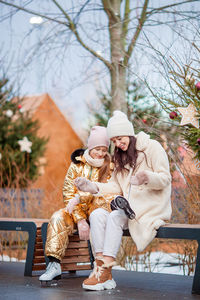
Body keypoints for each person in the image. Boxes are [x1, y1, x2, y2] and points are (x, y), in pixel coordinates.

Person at [75, 110, 172, 291]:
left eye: (120, 138)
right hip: (129, 210)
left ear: (129, 133)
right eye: (114, 141)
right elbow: (115, 186)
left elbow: (165, 179)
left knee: (114, 217)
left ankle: (106, 268)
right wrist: (93, 187)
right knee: (96, 214)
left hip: (150, 208)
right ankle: (100, 269)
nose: (118, 144)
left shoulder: (152, 147)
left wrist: (146, 178)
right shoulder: (121, 157)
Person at [39, 126, 115, 283]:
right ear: (90, 146)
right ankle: (54, 265)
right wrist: (80, 219)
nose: (101, 153)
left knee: (97, 216)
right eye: (97, 149)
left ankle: (101, 269)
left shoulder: (109, 166)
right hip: (77, 211)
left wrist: (81, 201)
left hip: (99, 211)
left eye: (104, 150)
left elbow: (103, 194)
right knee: (58, 217)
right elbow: (68, 192)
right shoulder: (77, 165)